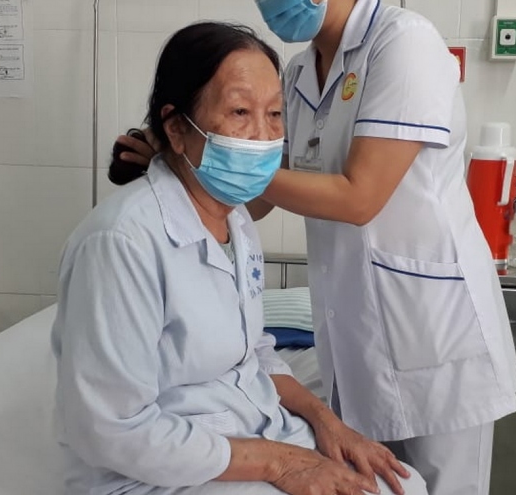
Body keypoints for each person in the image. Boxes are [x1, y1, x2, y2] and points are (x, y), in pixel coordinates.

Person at [113, 2, 516, 494]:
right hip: (355, 337)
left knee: (436, 487)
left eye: (262, 114)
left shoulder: (404, 43)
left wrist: (216, 157)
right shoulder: (299, 73)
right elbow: (259, 199)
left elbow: (358, 198)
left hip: (433, 333)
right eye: (241, 113)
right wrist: (188, 167)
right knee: (380, 483)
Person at [53, 21, 428, 495]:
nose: (262, 136)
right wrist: (279, 464)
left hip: (249, 429)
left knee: (405, 486)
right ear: (176, 128)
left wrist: (327, 422)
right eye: (239, 112)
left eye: (274, 114)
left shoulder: (235, 221)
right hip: (160, 469)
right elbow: (110, 428)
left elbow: (253, 352)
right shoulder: (120, 242)